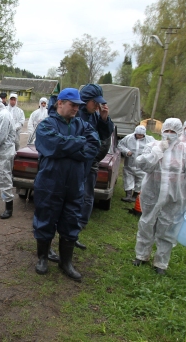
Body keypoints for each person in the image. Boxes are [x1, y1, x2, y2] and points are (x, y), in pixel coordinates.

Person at [32, 88, 100, 282]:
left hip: (75, 182)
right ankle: (43, 258)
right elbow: (50, 145)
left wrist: (67, 147)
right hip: (50, 181)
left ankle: (66, 262)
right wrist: (77, 144)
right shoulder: (46, 125)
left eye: (78, 105)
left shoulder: (83, 125)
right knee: (45, 217)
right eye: (73, 105)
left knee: (71, 219)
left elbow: (92, 147)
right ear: (60, 103)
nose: (76, 109)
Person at [133, 118, 186, 275]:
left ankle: (161, 263)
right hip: (152, 193)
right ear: (162, 130)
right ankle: (141, 255)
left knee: (169, 227)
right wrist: (158, 152)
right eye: (167, 131)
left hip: (175, 196)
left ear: (179, 133)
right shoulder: (152, 146)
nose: (169, 135)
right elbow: (143, 165)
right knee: (146, 224)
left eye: (173, 132)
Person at [75, 84, 115, 250]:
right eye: (95, 102)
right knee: (72, 197)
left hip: (90, 163)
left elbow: (106, 134)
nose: (98, 106)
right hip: (77, 163)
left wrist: (105, 119)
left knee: (87, 196)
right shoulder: (76, 113)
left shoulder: (94, 115)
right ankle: (67, 232)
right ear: (86, 101)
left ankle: (77, 229)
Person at [118, 125, 156, 202]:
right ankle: (128, 195)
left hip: (142, 166)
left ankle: (135, 196)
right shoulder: (128, 138)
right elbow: (120, 145)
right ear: (135, 133)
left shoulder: (150, 139)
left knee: (141, 180)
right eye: (138, 135)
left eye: (142, 135)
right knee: (128, 178)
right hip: (129, 164)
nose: (140, 136)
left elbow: (155, 148)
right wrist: (126, 151)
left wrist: (148, 156)